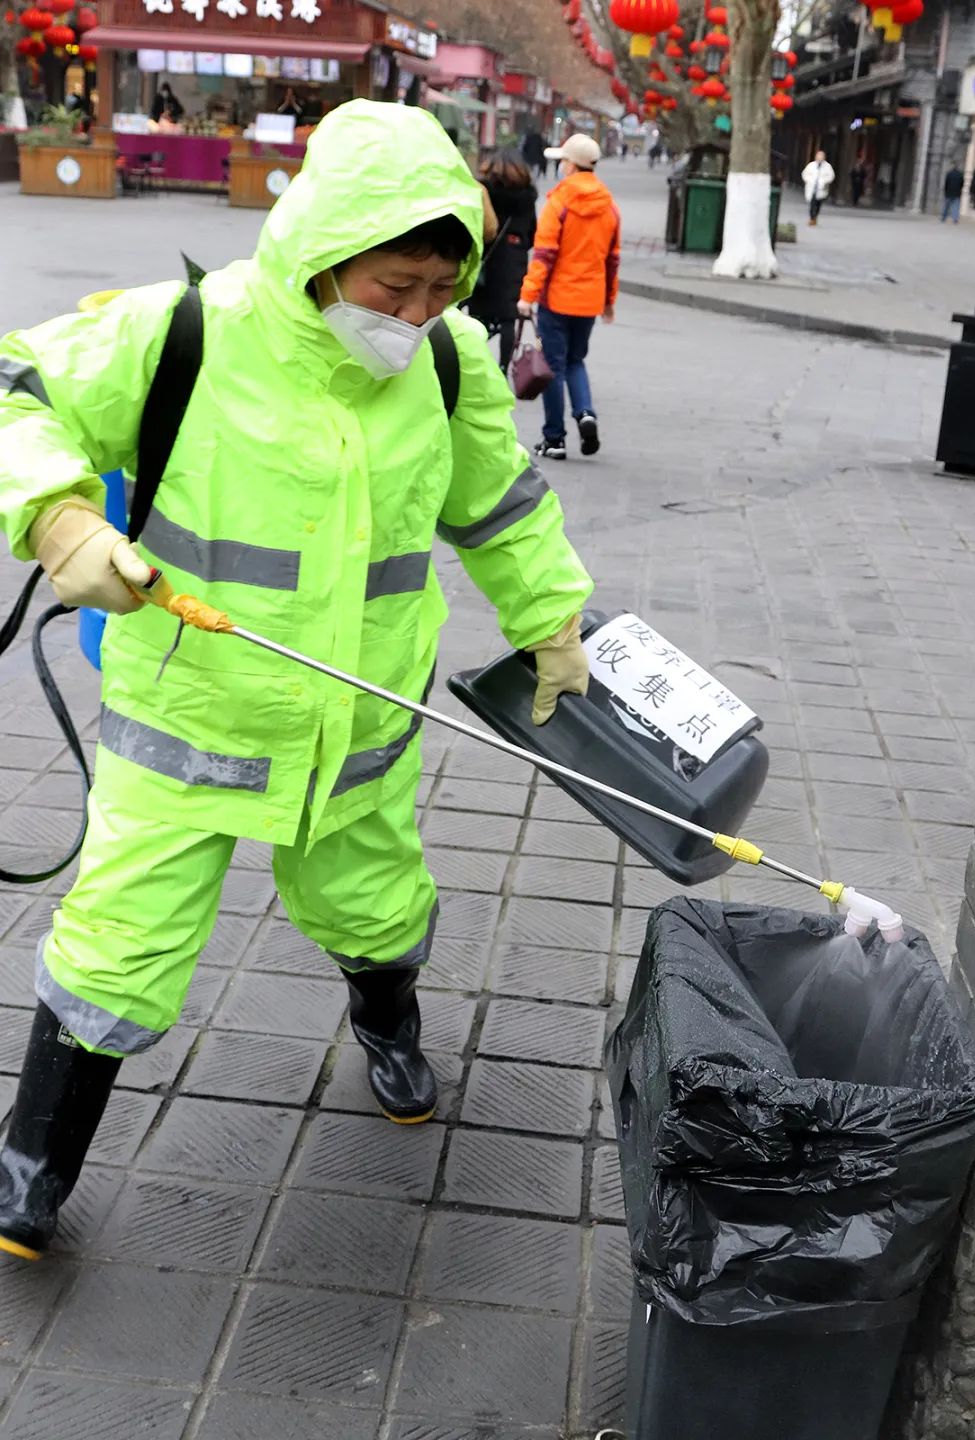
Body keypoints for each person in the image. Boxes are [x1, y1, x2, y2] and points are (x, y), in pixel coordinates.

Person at [0, 100, 593, 1262]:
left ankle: (387, 1019)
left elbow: (501, 509)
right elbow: (20, 389)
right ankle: (33, 1159)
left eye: (441, 287)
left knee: (374, 904)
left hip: (361, 722)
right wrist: (58, 517)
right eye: (395, 286)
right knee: (120, 937)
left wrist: (552, 621)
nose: (419, 313)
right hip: (187, 717)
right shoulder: (186, 332)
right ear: (324, 248)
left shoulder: (449, 363)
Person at [518, 132, 619, 461]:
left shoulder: (559, 203)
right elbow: (611, 260)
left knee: (553, 367)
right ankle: (586, 413)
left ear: (572, 165)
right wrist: (608, 302)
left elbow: (544, 255)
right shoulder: (609, 207)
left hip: (557, 299)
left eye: (562, 160)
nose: (560, 166)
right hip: (589, 301)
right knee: (575, 361)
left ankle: (554, 439)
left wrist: (527, 296)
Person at [467, 148, 538, 372]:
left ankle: (474, 360)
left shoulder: (484, 191)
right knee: (508, 318)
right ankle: (503, 367)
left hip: (487, 258)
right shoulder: (526, 197)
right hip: (514, 260)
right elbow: (532, 231)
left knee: (478, 315)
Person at [802, 149, 835, 225]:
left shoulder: (827, 166)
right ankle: (812, 218)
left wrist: (824, 181)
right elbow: (804, 174)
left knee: (818, 205)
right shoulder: (811, 165)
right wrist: (809, 180)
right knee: (812, 204)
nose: (820, 158)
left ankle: (815, 216)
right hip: (812, 188)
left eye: (821, 156)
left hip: (821, 189)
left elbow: (831, 176)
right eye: (818, 156)